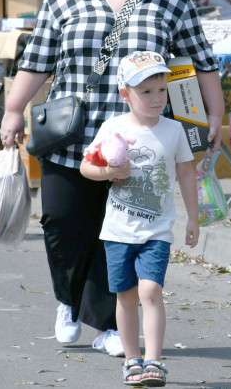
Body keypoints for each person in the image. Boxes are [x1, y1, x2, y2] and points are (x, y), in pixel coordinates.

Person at [0, 0, 223, 358]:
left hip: (137, 146)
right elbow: (37, 58)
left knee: (115, 235)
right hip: (73, 139)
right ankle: (68, 299)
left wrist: (215, 114)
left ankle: (103, 323)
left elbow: (201, 61)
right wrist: (14, 109)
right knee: (61, 223)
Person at [79, 50, 199, 387]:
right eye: (146, 92)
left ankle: (155, 361)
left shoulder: (175, 130)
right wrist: (108, 171)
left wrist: (193, 218)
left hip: (156, 231)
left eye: (162, 90)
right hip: (118, 231)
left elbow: (187, 174)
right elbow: (86, 167)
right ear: (125, 94)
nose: (157, 98)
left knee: (150, 291)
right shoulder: (113, 127)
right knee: (126, 296)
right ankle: (132, 360)